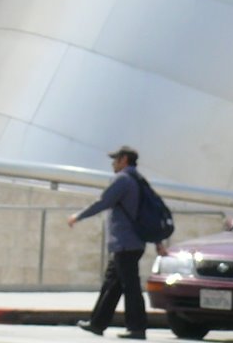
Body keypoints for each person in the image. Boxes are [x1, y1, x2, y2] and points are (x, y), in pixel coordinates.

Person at [67, 145, 166, 339]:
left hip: (125, 243)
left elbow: (103, 202)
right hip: (131, 243)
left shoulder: (123, 180)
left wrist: (78, 216)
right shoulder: (139, 180)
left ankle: (137, 328)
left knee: (130, 286)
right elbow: (148, 214)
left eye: (116, 159)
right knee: (112, 284)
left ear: (124, 160)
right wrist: (158, 242)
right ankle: (97, 323)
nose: (113, 163)